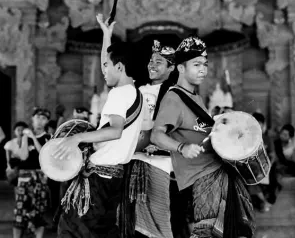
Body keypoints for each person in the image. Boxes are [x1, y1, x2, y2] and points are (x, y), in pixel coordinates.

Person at [53, 15, 150, 238]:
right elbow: (109, 62)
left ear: (120, 66)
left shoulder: (118, 94)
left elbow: (115, 130)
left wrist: (75, 138)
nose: (103, 70)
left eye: (107, 67)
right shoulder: (135, 93)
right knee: (103, 231)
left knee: (71, 230)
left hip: (98, 178)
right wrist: (106, 35)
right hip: (114, 177)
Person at [151, 35, 255, 238]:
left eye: (205, 64)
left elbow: (201, 131)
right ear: (180, 68)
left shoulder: (195, 97)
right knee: (208, 234)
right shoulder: (173, 98)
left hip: (217, 171)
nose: (203, 69)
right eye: (196, 64)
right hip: (202, 178)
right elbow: (156, 135)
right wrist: (182, 147)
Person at [132, 40, 184, 238]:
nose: (152, 65)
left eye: (159, 62)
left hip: (164, 165)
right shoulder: (137, 90)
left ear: (171, 68)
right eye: (151, 60)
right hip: (136, 160)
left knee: (167, 221)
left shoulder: (178, 95)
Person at [13, 108, 51, 238]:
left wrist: (33, 138)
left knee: (38, 210)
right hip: (24, 177)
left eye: (44, 118)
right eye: (38, 118)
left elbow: (44, 155)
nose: (40, 121)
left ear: (47, 121)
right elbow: (23, 157)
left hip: (40, 177)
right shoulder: (24, 137)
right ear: (32, 119)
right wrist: (25, 138)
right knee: (20, 211)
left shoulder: (48, 137)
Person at [249, 112, 274, 212]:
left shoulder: (267, 139)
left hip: (265, 165)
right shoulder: (247, 138)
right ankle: (263, 201)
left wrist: (268, 164)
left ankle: (262, 201)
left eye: (260, 124)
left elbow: (272, 155)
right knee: (250, 178)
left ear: (263, 125)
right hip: (251, 166)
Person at [4, 121, 28, 186]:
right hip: (14, 169)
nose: (20, 132)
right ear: (14, 131)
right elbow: (8, 161)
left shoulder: (30, 143)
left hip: (26, 168)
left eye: (23, 130)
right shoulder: (9, 143)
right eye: (18, 130)